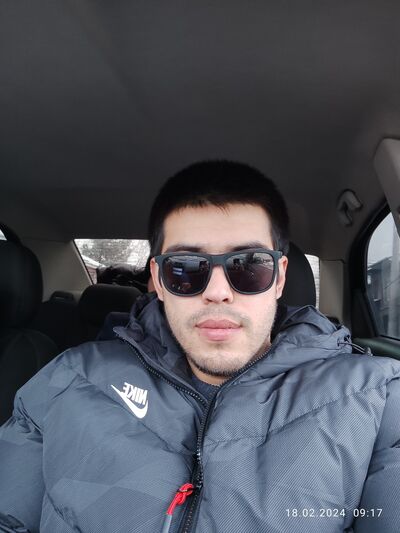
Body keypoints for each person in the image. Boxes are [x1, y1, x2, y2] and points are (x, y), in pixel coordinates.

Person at [0, 160, 400, 533]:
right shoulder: (66, 381)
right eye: (186, 269)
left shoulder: (378, 400)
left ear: (279, 278)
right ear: (158, 281)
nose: (218, 292)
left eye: (249, 266)